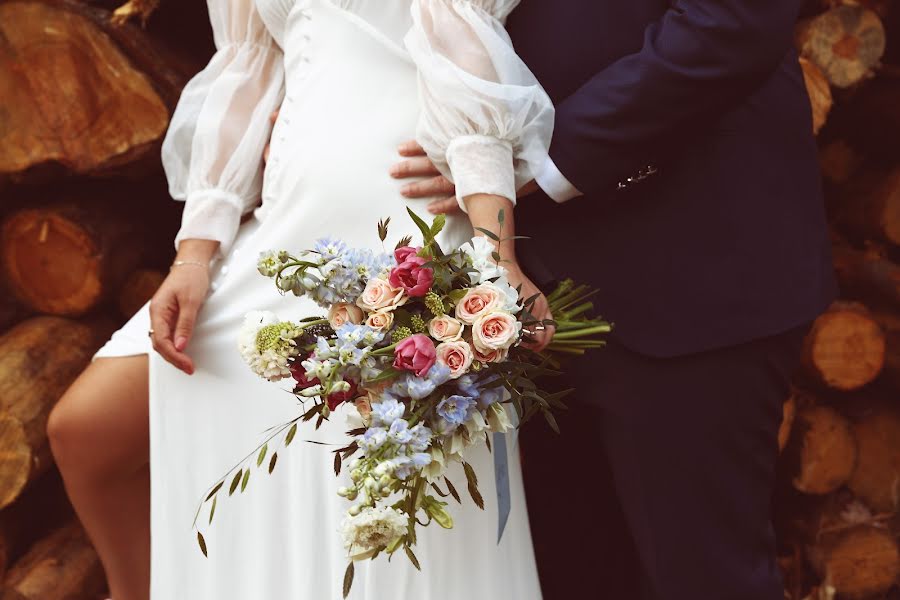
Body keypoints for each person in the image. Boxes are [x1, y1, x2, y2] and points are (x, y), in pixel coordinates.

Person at [46, 1, 555, 599]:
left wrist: (497, 255)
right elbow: (248, 64)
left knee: (384, 501)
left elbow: (462, 39)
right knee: (83, 429)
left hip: (405, 225)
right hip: (283, 230)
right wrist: (195, 251)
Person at [391, 1, 837, 598]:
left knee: (704, 579)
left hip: (687, 267)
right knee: (573, 572)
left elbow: (734, 20)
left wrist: (538, 158)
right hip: (508, 296)